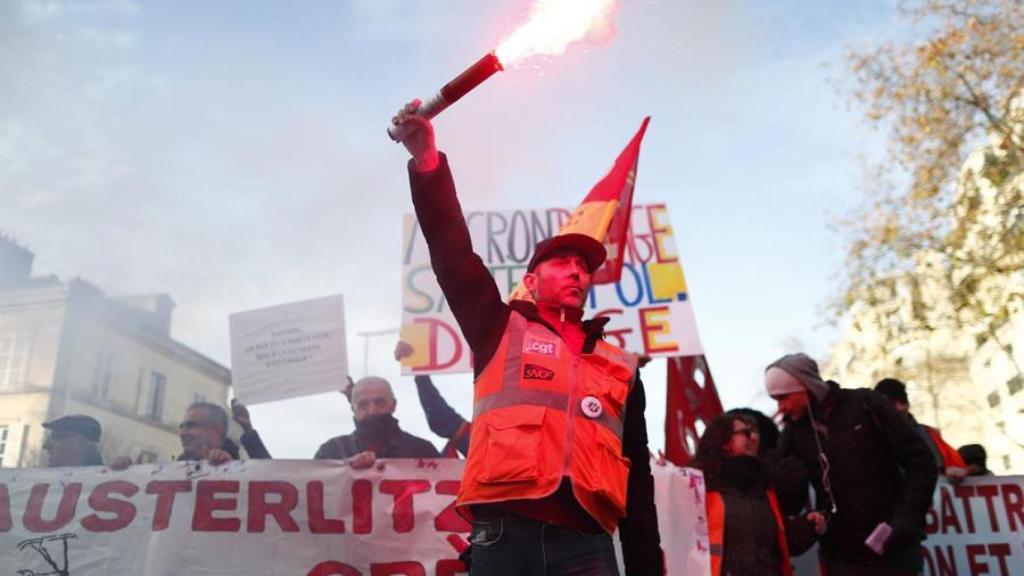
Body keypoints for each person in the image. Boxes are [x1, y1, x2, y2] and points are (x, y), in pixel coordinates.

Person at [393, 101, 663, 575]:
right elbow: (452, 253)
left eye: (583, 267)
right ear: (531, 281)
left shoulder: (622, 367)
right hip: (504, 537)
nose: (576, 272)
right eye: (562, 263)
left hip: (587, 543)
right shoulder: (497, 327)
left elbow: (637, 479)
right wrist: (427, 161)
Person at [767, 353, 938, 576]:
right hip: (842, 557)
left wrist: (908, 517)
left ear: (806, 386)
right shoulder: (792, 434)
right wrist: (785, 484)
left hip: (894, 548)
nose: (781, 407)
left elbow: (921, 461)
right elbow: (793, 503)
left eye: (784, 397)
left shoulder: (866, 404)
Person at [695, 413, 825, 576]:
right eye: (746, 433)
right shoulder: (700, 491)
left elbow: (784, 540)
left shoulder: (765, 489)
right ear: (725, 443)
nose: (754, 437)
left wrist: (809, 525)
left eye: (754, 432)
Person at [314, 375, 440, 468]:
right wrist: (345, 470)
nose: (372, 411)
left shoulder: (422, 451)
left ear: (393, 405)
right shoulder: (330, 452)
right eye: (363, 405)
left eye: (380, 402)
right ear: (353, 409)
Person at [874, 378, 967, 479]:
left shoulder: (927, 434)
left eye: (903, 402)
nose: (901, 408)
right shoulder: (870, 436)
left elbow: (940, 472)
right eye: (893, 403)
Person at [395, 340, 470, 457]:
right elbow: (444, 421)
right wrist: (419, 369)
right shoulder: (485, 441)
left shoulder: (485, 442)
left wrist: (420, 370)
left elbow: (444, 422)